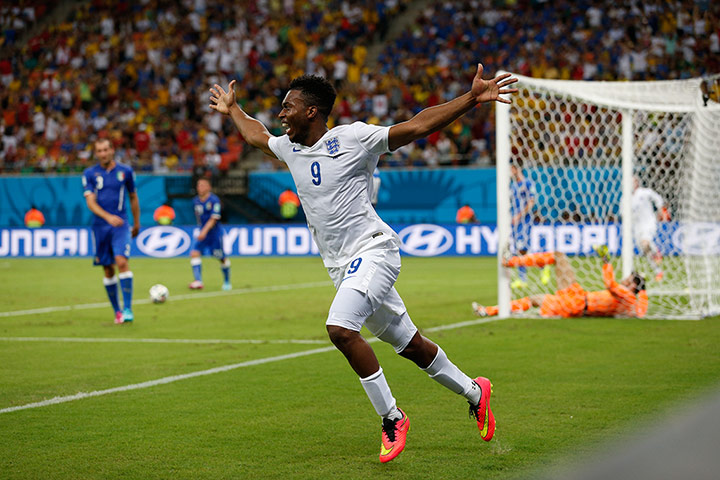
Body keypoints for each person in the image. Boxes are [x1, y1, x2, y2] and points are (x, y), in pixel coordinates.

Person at [209, 63, 518, 463]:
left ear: (312, 112)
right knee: (410, 345)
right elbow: (256, 135)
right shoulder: (291, 148)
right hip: (341, 267)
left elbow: (417, 126)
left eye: (288, 106)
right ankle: (476, 391)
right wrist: (233, 110)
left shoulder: (352, 138)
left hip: (373, 250)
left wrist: (472, 99)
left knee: (340, 329)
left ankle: (393, 417)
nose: (281, 113)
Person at [472, 247, 648, 318]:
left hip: (577, 304)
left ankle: (488, 310)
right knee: (559, 256)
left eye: (630, 279)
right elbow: (640, 312)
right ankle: (511, 262)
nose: (625, 279)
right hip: (579, 297)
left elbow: (610, 283)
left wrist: (606, 260)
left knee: (535, 299)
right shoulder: (630, 302)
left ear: (633, 286)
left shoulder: (628, 296)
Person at [82, 138, 140, 324]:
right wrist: (107, 217)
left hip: (121, 225)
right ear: (96, 153)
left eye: (106, 149)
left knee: (122, 262)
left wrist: (136, 223)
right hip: (100, 226)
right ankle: (117, 311)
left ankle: (128, 309)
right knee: (108, 269)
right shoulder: (90, 173)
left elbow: (133, 197)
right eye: (99, 150)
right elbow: (90, 202)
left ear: (112, 150)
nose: (103, 153)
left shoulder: (125, 171)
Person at [189, 177, 231, 291]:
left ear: (209, 187)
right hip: (203, 232)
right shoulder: (195, 201)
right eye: (198, 185)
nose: (200, 187)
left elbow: (214, 218)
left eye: (203, 185)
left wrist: (203, 231)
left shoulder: (214, 200)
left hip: (214, 234)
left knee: (220, 257)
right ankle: (198, 281)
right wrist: (200, 230)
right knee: (194, 253)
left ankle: (227, 281)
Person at [631, 177, 669, 282]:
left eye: (633, 181)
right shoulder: (626, 199)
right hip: (637, 228)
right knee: (646, 251)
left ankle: (656, 252)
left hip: (648, 223)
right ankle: (658, 272)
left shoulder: (644, 192)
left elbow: (657, 198)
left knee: (645, 243)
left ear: (637, 182)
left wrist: (662, 210)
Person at [509, 160, 538, 290]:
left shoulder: (528, 183)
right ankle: (523, 278)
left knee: (522, 250)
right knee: (519, 250)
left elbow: (532, 202)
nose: (509, 172)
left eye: (510, 169)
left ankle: (524, 278)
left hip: (525, 221)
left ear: (516, 169)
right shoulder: (513, 186)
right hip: (515, 222)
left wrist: (519, 216)